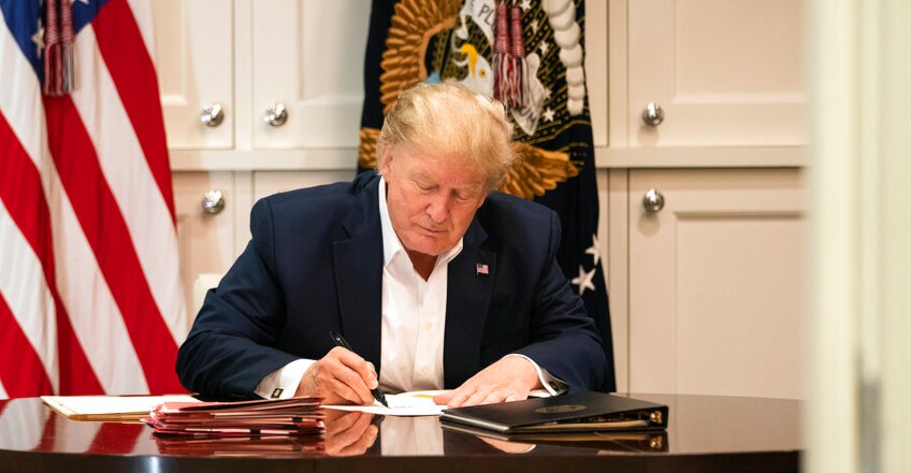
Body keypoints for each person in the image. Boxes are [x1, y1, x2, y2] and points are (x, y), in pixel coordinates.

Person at [176, 82, 606, 407]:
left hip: (472, 459)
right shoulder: (294, 230)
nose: (439, 211)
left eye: (463, 194)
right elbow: (206, 347)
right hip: (337, 462)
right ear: (387, 159)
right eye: (425, 185)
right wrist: (304, 378)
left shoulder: (524, 235)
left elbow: (583, 346)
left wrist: (526, 369)